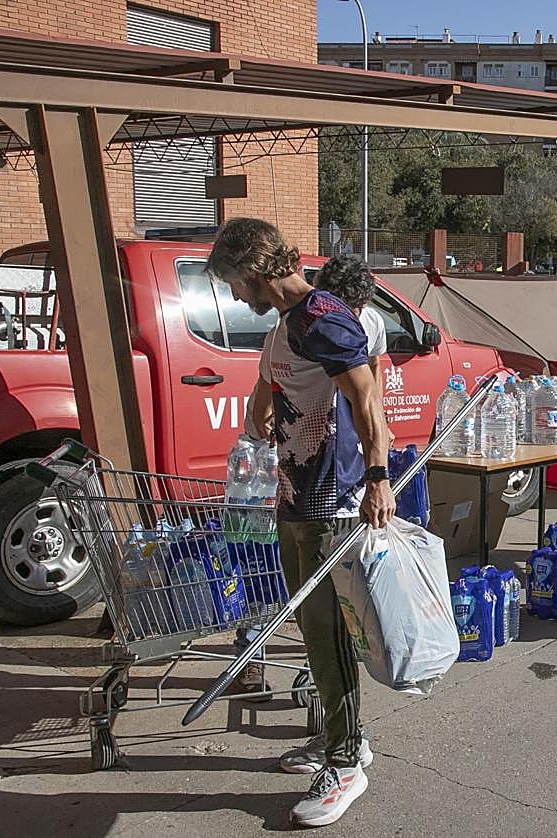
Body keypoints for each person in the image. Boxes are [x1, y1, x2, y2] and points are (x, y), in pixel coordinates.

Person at [208, 219, 395, 829]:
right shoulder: (288, 326)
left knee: (323, 630)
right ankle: (341, 737)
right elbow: (266, 385)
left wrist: (377, 478)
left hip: (329, 498)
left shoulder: (322, 317)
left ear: (258, 267)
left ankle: (345, 764)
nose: (236, 295)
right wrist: (255, 420)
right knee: (313, 628)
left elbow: (366, 399)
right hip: (293, 491)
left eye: (236, 282)